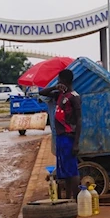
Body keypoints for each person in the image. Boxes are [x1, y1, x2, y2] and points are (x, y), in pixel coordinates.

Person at [39, 69, 82, 200]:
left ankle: (77, 200)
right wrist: (54, 87)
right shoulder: (59, 94)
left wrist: (76, 143)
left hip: (69, 137)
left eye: (59, 80)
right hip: (60, 138)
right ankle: (68, 199)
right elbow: (41, 93)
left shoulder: (74, 97)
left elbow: (79, 120)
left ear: (64, 81)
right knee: (65, 173)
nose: (58, 82)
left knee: (72, 171)